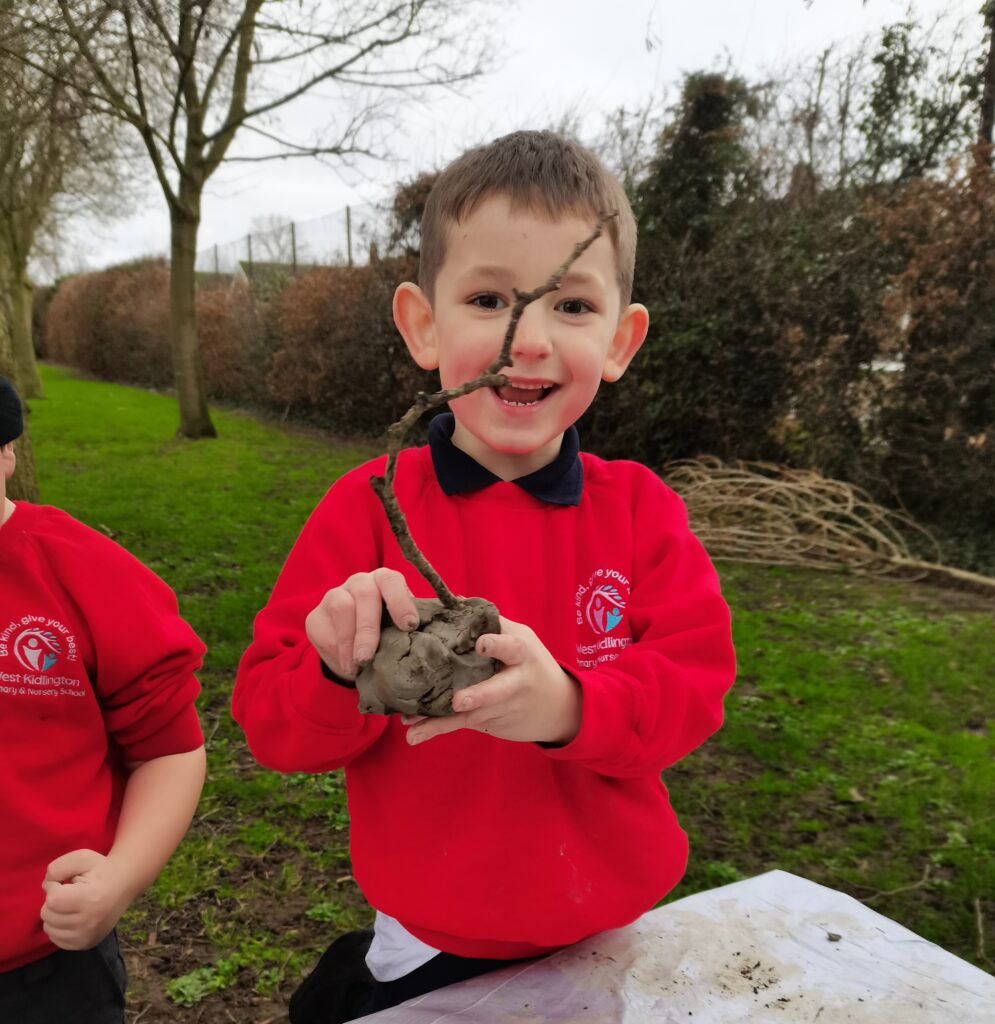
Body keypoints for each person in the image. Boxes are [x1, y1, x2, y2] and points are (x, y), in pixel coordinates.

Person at [232, 130, 736, 1022]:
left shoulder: (640, 511)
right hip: (427, 937)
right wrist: (334, 668)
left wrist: (570, 708)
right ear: (424, 326)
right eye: (490, 297)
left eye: (572, 307)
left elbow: (695, 687)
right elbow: (273, 728)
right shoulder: (365, 509)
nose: (526, 340)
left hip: (607, 931)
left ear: (622, 340)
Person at [0, 376, 207, 1024]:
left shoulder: (80, 573)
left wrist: (121, 877)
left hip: (46, 968)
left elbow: (171, 752)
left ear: (7, 452)